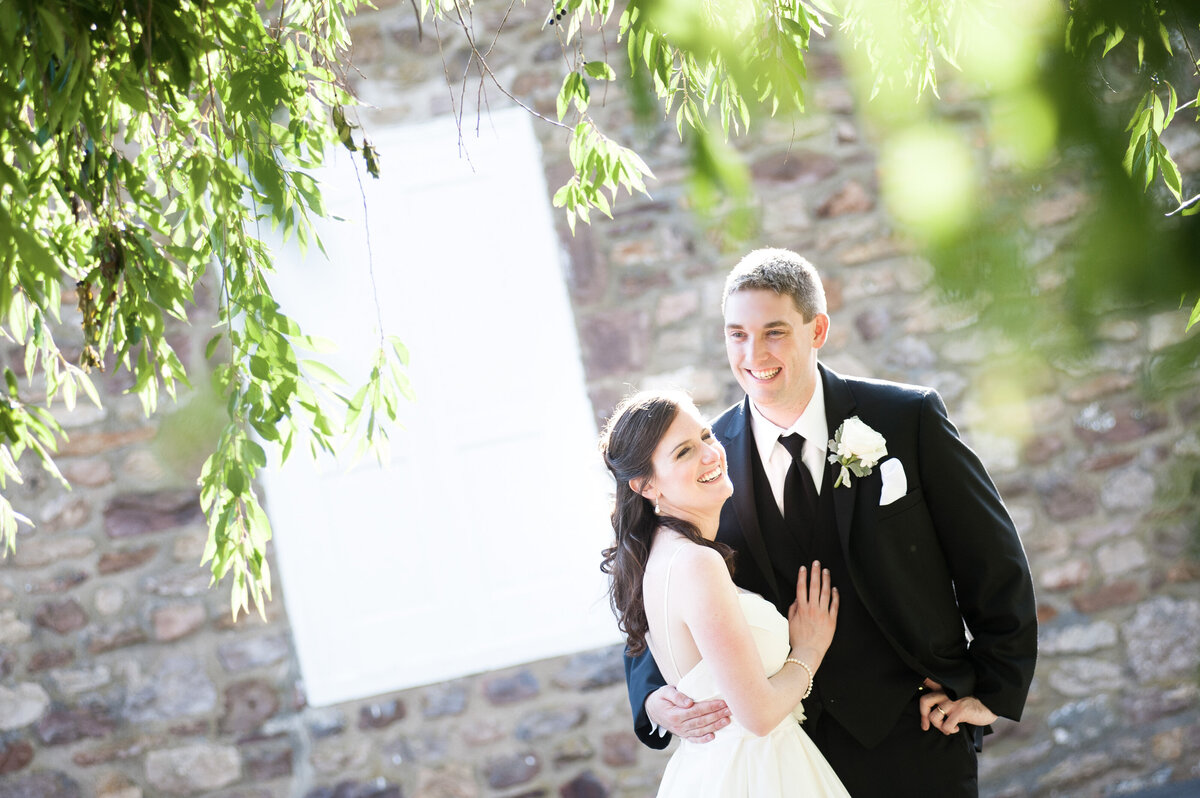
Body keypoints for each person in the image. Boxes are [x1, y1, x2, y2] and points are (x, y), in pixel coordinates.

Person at [624, 249, 1038, 797]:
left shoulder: (905, 418)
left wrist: (993, 684)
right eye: (737, 335)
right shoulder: (706, 462)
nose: (754, 354)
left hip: (915, 732)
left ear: (816, 328)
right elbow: (654, 582)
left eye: (774, 332)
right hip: (787, 755)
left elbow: (991, 554)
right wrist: (654, 695)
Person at [599, 390, 850, 797]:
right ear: (645, 485)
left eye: (706, 436)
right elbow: (759, 715)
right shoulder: (696, 561)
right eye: (683, 452)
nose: (711, 454)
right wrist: (810, 649)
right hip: (755, 772)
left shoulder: (658, 553)